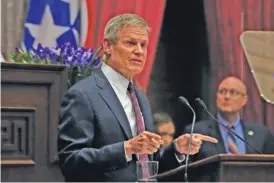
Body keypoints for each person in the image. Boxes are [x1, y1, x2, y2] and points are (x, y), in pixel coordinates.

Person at [57, 13, 218, 182]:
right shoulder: (82, 94)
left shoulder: (139, 97)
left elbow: (149, 163)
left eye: (143, 45)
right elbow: (71, 161)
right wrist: (126, 149)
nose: (139, 51)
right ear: (108, 46)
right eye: (130, 43)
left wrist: (176, 149)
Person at [184, 76, 274, 161]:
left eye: (233, 92)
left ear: (244, 100)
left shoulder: (262, 134)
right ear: (216, 97)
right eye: (222, 91)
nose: (226, 97)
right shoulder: (196, 131)